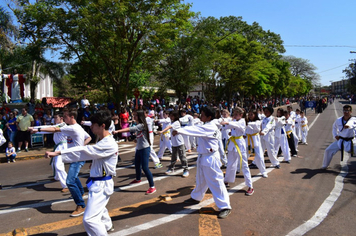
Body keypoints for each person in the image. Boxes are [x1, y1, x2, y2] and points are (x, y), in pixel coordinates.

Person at [46, 110, 117, 235]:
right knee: (99, 209)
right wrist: (96, 163)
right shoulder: (104, 140)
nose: (91, 128)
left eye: (93, 125)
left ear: (102, 126)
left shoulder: (108, 143)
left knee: (90, 220)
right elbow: (97, 155)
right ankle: (107, 225)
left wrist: (59, 152)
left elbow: (86, 150)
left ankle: (104, 228)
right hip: (99, 183)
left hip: (101, 185)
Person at [29, 108, 92, 217]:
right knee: (74, 177)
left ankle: (81, 205)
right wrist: (81, 146)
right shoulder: (78, 127)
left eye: (66, 116)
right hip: (76, 157)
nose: (64, 117)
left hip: (78, 158)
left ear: (72, 117)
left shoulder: (72, 128)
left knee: (70, 181)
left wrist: (37, 130)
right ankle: (80, 193)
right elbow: (89, 137)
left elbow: (54, 129)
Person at [173, 106, 232, 219]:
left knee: (216, 182)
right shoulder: (208, 124)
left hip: (210, 158)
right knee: (201, 180)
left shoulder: (209, 127)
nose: (201, 116)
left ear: (209, 117)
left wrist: (179, 130)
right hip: (203, 156)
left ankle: (225, 206)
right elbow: (197, 127)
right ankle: (196, 197)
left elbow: (195, 130)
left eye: (203, 114)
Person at [113, 110, 157, 194]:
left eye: (135, 115)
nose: (134, 117)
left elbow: (131, 129)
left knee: (145, 168)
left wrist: (118, 131)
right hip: (140, 148)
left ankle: (152, 186)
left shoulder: (142, 125)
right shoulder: (139, 125)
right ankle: (138, 179)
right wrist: (137, 139)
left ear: (139, 116)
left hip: (145, 148)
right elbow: (140, 134)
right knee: (137, 165)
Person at [221, 107, 254, 195]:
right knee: (230, 163)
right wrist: (230, 130)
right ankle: (227, 180)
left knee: (244, 165)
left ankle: (250, 186)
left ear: (241, 114)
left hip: (240, 144)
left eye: (236, 114)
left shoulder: (242, 121)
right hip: (232, 144)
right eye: (234, 114)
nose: (234, 115)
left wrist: (228, 122)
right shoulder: (234, 121)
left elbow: (237, 126)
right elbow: (227, 127)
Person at [34, 113, 69, 192]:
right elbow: (46, 128)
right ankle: (56, 177)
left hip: (63, 146)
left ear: (61, 118)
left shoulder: (62, 125)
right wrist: (34, 129)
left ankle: (66, 185)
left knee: (58, 165)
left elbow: (48, 128)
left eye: (56, 117)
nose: (55, 119)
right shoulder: (57, 125)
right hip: (58, 146)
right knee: (54, 163)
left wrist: (35, 129)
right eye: (54, 117)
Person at [322, 105, 356, 169]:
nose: (345, 112)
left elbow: (351, 123)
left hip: (352, 141)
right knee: (328, 150)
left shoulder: (354, 119)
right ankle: (325, 165)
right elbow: (334, 128)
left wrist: (348, 125)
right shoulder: (339, 120)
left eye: (347, 111)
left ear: (350, 111)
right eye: (344, 110)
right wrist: (335, 135)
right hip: (341, 141)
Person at [158, 111, 189, 177]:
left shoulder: (177, 122)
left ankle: (185, 170)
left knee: (182, 157)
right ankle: (171, 168)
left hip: (180, 142)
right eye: (170, 116)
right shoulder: (172, 122)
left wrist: (162, 131)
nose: (171, 117)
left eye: (172, 116)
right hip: (174, 143)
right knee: (173, 157)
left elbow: (169, 127)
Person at [245, 110, 268, 178]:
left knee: (260, 157)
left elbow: (255, 126)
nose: (250, 116)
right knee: (243, 157)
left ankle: (263, 172)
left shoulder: (258, 122)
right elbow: (244, 130)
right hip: (248, 141)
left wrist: (245, 123)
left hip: (255, 141)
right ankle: (237, 169)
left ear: (255, 115)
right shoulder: (247, 122)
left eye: (252, 114)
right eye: (249, 114)